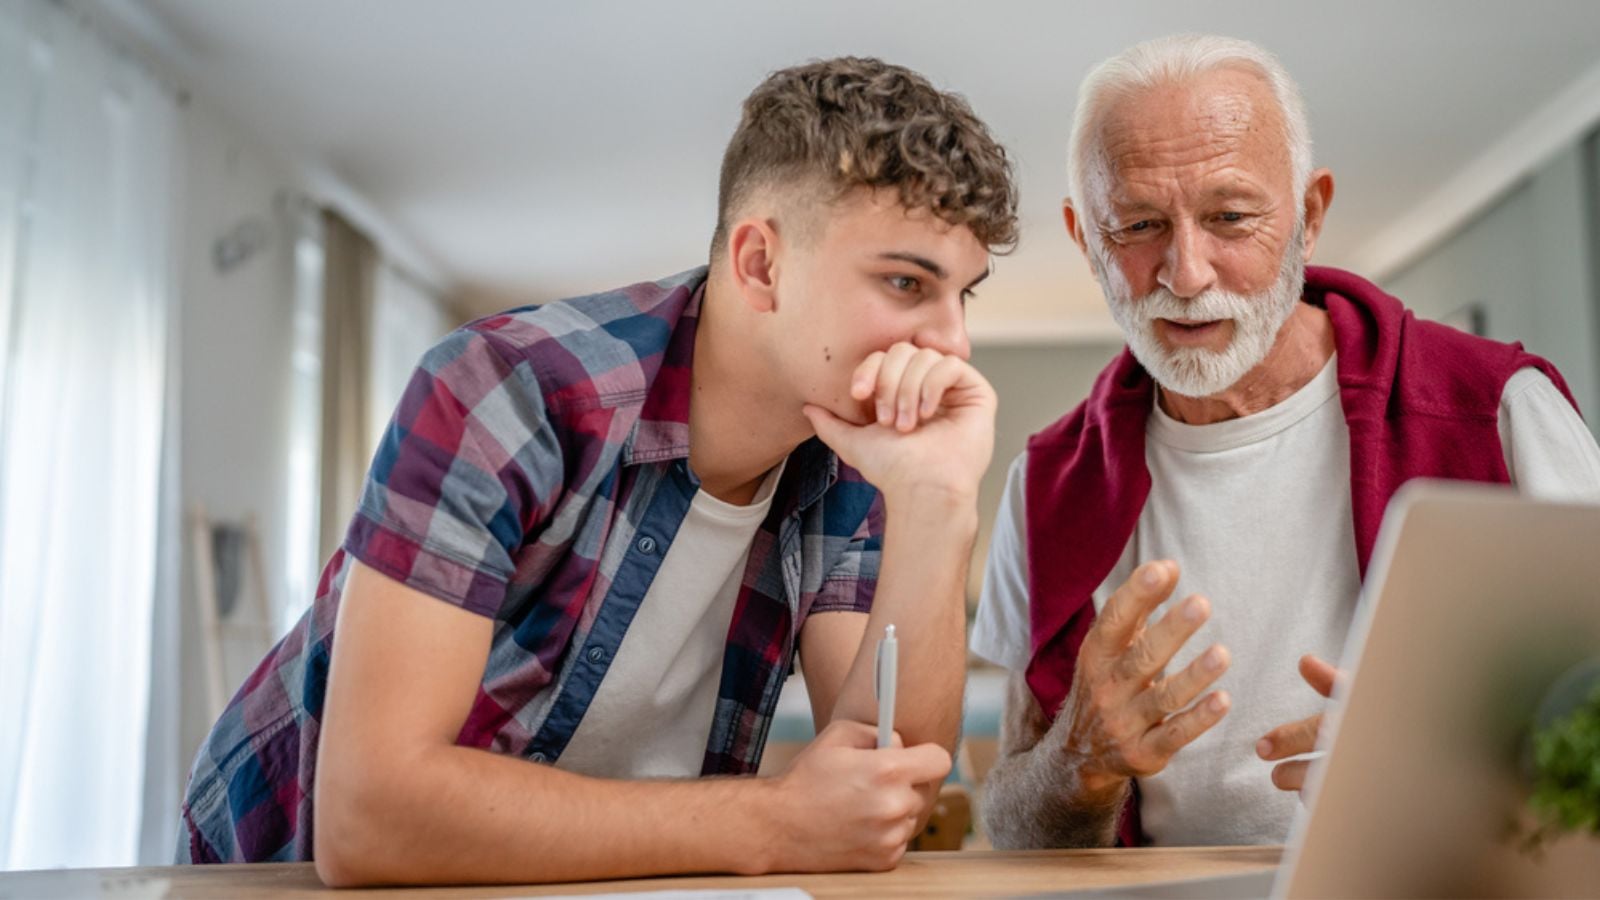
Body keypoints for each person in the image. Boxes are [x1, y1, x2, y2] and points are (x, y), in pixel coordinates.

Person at [179, 56, 1020, 886]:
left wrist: (940, 501)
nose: (952, 343)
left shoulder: (854, 458)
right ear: (760, 264)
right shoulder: (508, 390)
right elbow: (371, 817)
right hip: (268, 876)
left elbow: (884, 784)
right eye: (907, 282)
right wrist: (774, 818)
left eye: (964, 296)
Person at [972, 33, 1600, 850]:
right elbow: (1017, 826)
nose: (1187, 273)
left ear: (1308, 217)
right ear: (1086, 240)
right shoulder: (1045, 483)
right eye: (1137, 224)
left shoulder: (1501, 410)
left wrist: (1451, 774)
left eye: (1230, 217)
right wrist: (1075, 761)